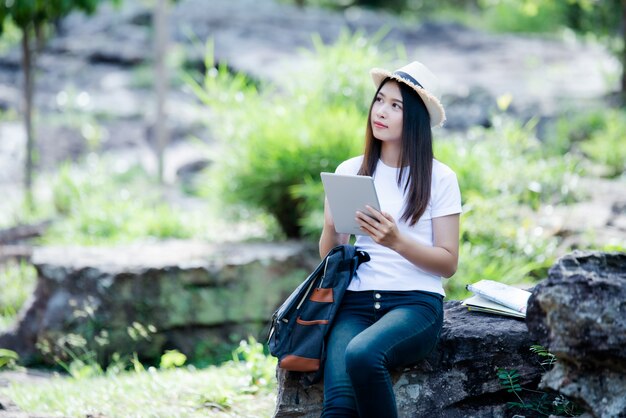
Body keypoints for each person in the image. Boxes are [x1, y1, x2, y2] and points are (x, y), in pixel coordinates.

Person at [318, 61, 462, 417]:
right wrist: (331, 229)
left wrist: (396, 241)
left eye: (395, 106)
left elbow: (448, 263)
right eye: (379, 100)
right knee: (337, 406)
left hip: (415, 304)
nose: (380, 111)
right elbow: (330, 258)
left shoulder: (440, 178)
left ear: (413, 118)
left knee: (363, 353)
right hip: (355, 302)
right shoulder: (350, 170)